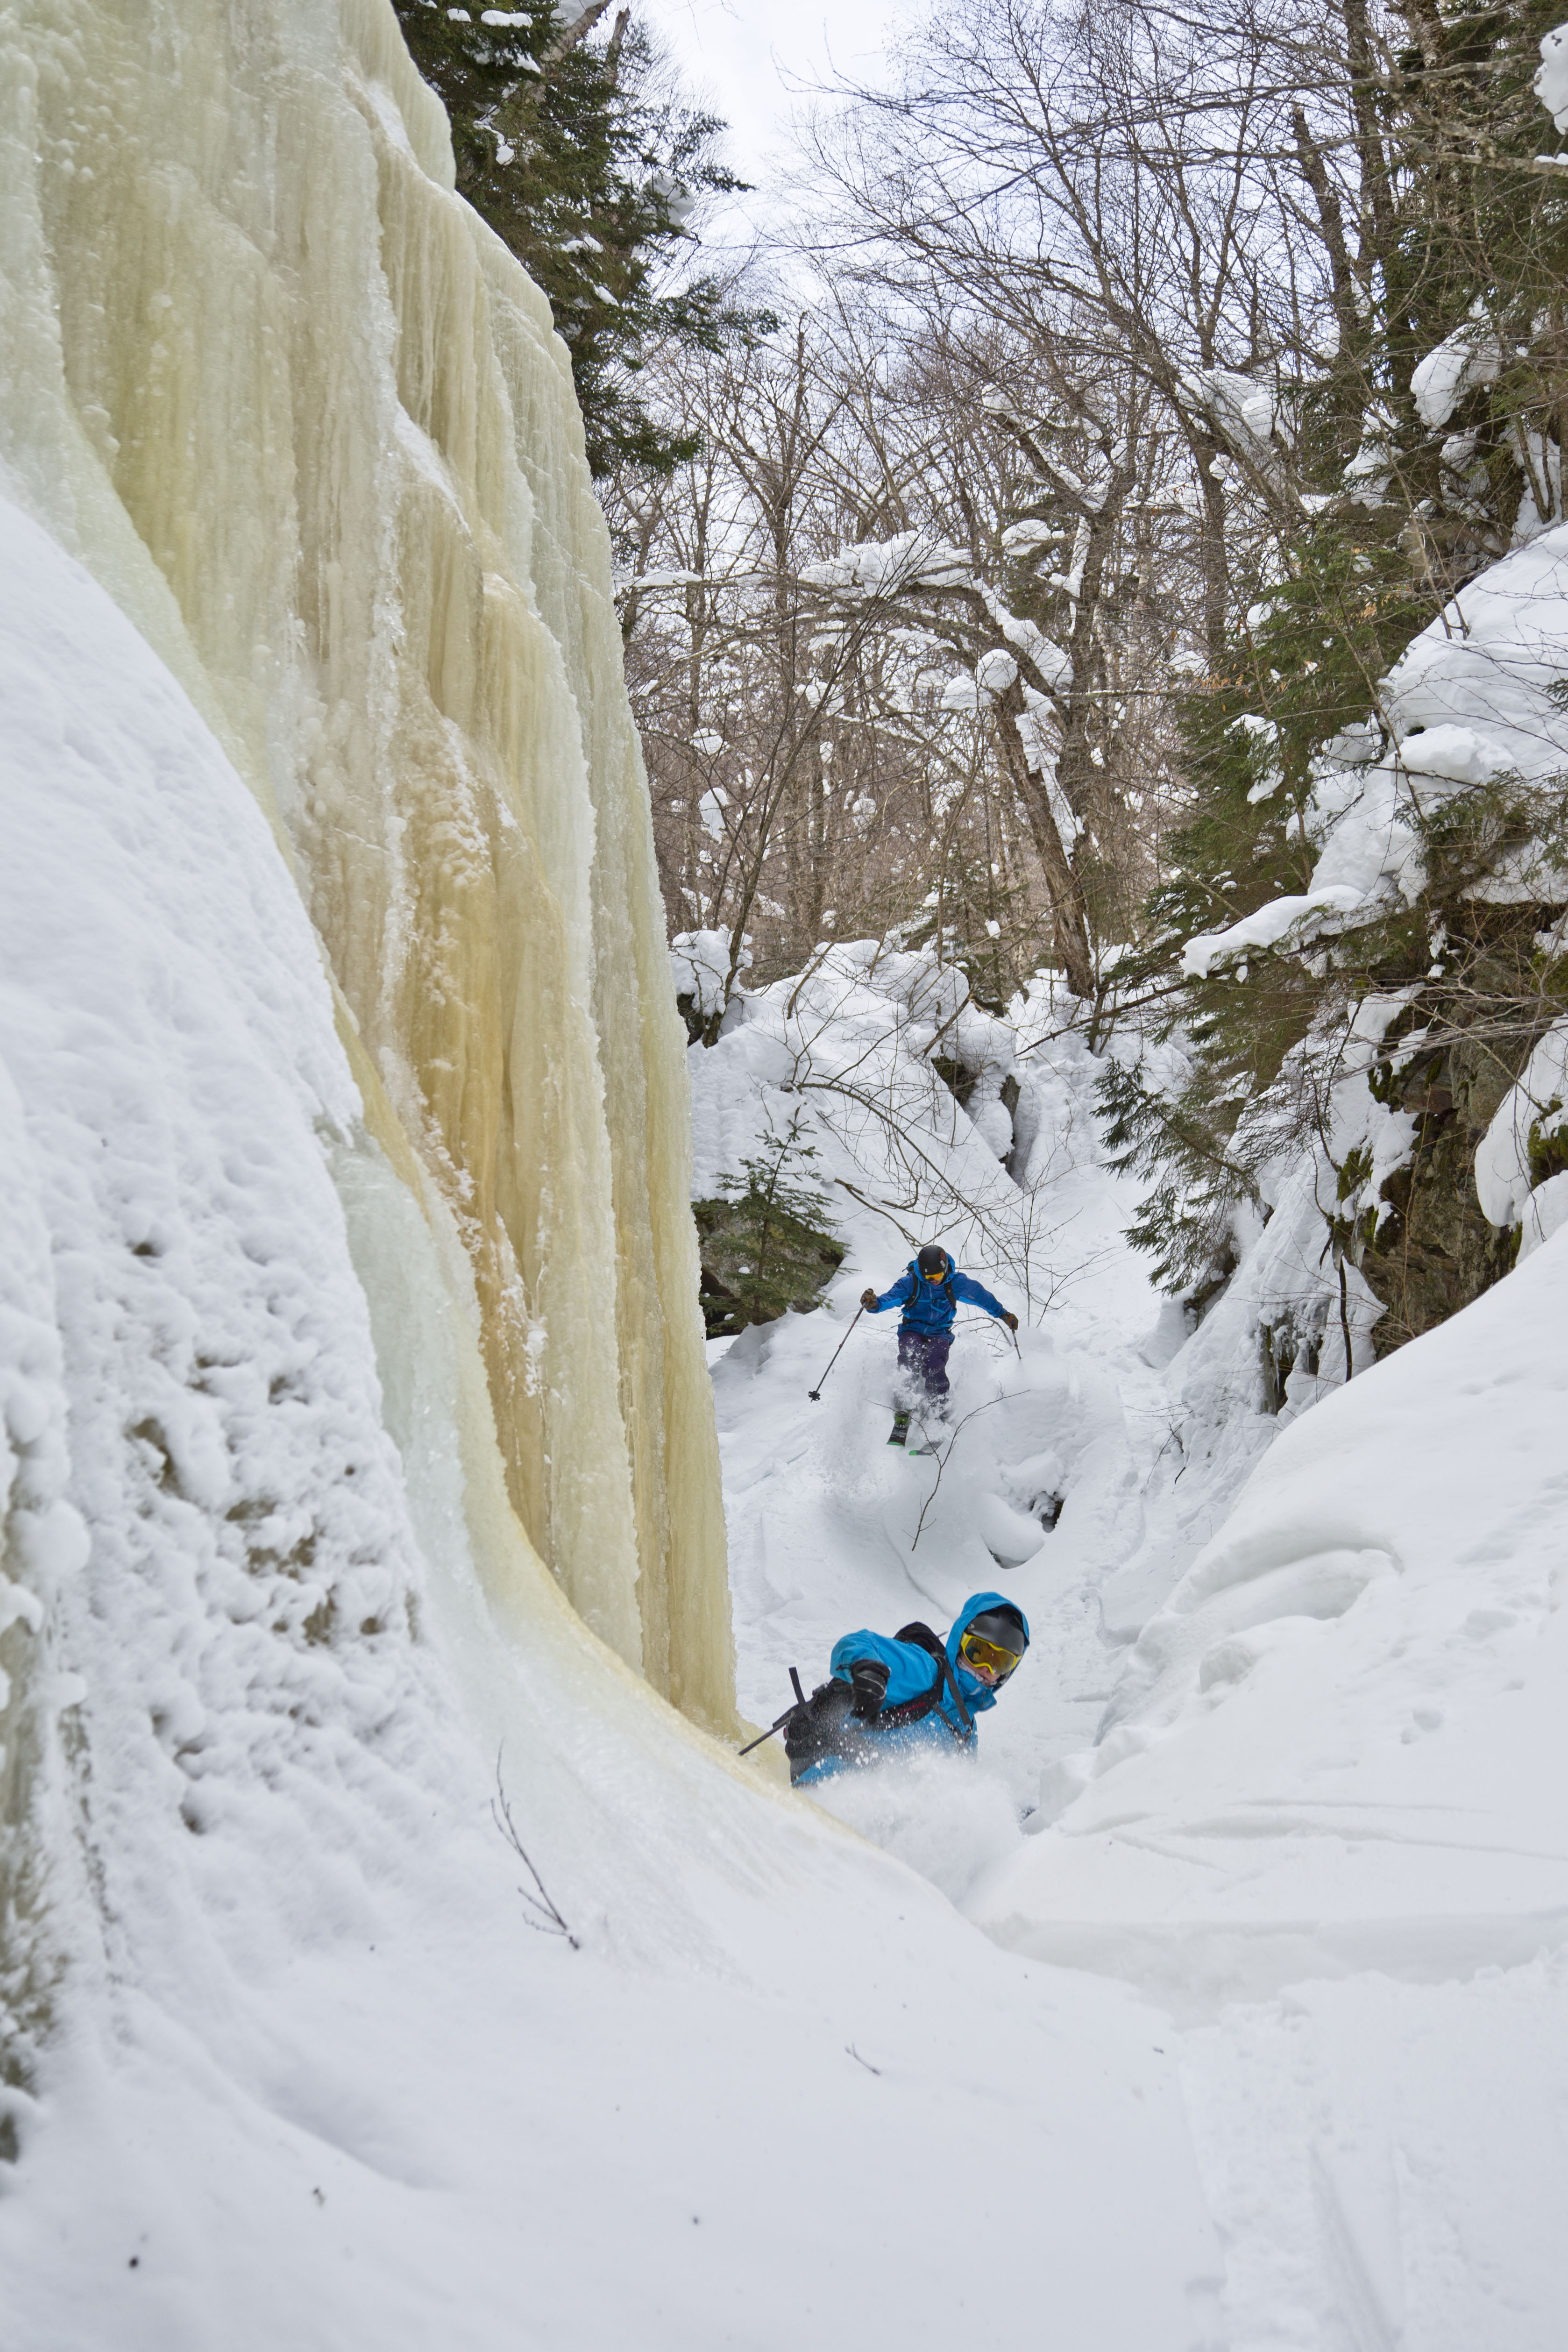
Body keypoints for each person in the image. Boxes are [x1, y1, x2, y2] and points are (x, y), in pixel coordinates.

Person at [784, 1592, 1029, 1787]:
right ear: (959, 1644)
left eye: (1000, 1662)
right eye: (978, 1652)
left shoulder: (967, 1732)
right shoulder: (924, 1672)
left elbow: (957, 1791)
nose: (987, 1668)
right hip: (820, 1785)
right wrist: (868, 1669)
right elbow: (857, 1643)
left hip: (874, 1817)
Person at [860, 1242, 1018, 1445]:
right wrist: (874, 1305)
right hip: (912, 1329)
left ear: (945, 1269)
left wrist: (1004, 1315)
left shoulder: (957, 1283)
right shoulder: (911, 1282)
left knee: (935, 1366)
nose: (933, 1281)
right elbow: (890, 1299)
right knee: (909, 1358)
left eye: (937, 1276)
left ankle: (940, 1411)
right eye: (929, 1278)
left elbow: (982, 1298)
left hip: (940, 1333)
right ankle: (904, 1408)